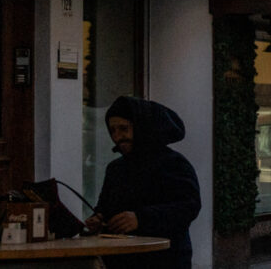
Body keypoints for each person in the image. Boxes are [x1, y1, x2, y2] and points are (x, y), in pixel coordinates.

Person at [85, 97, 201, 269]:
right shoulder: (116, 168)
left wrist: (141, 219)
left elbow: (188, 206)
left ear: (141, 127)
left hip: (165, 259)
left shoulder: (173, 163)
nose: (117, 137)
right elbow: (106, 205)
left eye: (123, 129)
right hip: (121, 260)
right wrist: (99, 218)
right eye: (113, 131)